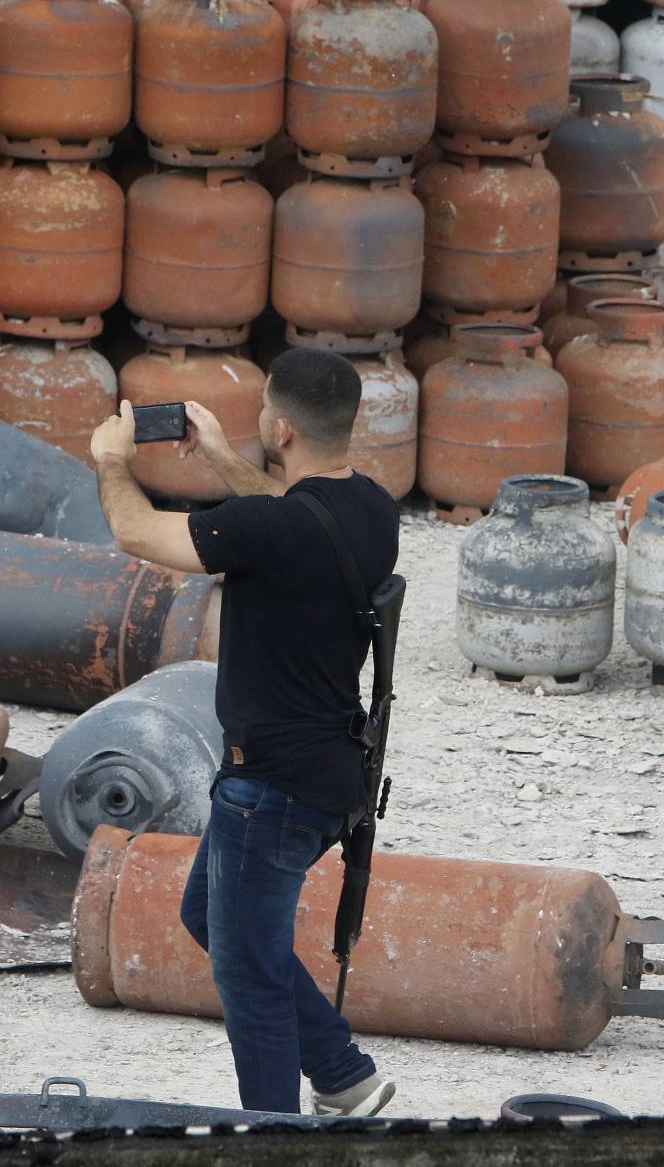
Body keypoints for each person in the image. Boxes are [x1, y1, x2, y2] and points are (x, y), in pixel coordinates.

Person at [87, 347, 399, 1118]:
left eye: (262, 408)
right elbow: (294, 514)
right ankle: (342, 1073)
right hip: (333, 773)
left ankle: (272, 1135)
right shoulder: (370, 509)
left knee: (248, 973)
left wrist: (110, 461)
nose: (257, 419)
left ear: (283, 429)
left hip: (272, 788)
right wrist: (224, 459)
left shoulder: (268, 526)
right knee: (210, 918)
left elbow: (136, 534)